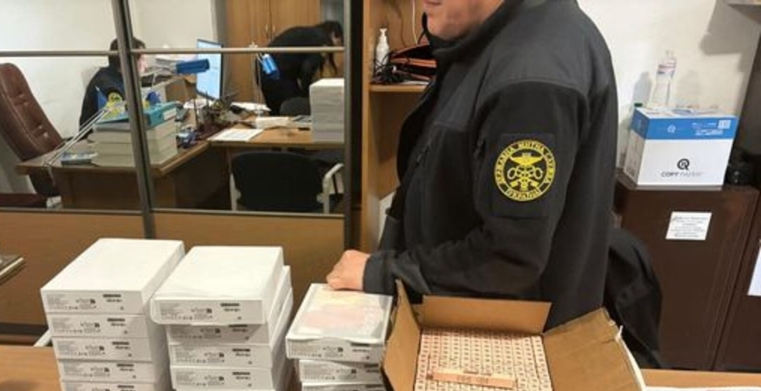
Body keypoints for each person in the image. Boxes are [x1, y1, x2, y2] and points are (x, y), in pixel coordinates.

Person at [326, 0, 618, 328]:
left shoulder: (532, 79)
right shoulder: (492, 38)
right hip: (465, 310)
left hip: (505, 335)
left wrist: (382, 274)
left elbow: (508, 259)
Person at [260, 21, 343, 114]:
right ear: (334, 34)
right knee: (294, 109)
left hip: (264, 64)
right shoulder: (324, 40)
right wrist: (306, 95)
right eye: (339, 42)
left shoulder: (309, 33)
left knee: (276, 112)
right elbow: (307, 69)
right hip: (278, 69)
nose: (336, 46)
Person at [79, 38, 148, 128]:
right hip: (101, 135)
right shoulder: (109, 87)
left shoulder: (121, 78)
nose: (146, 66)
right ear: (129, 61)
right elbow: (118, 123)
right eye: (143, 60)